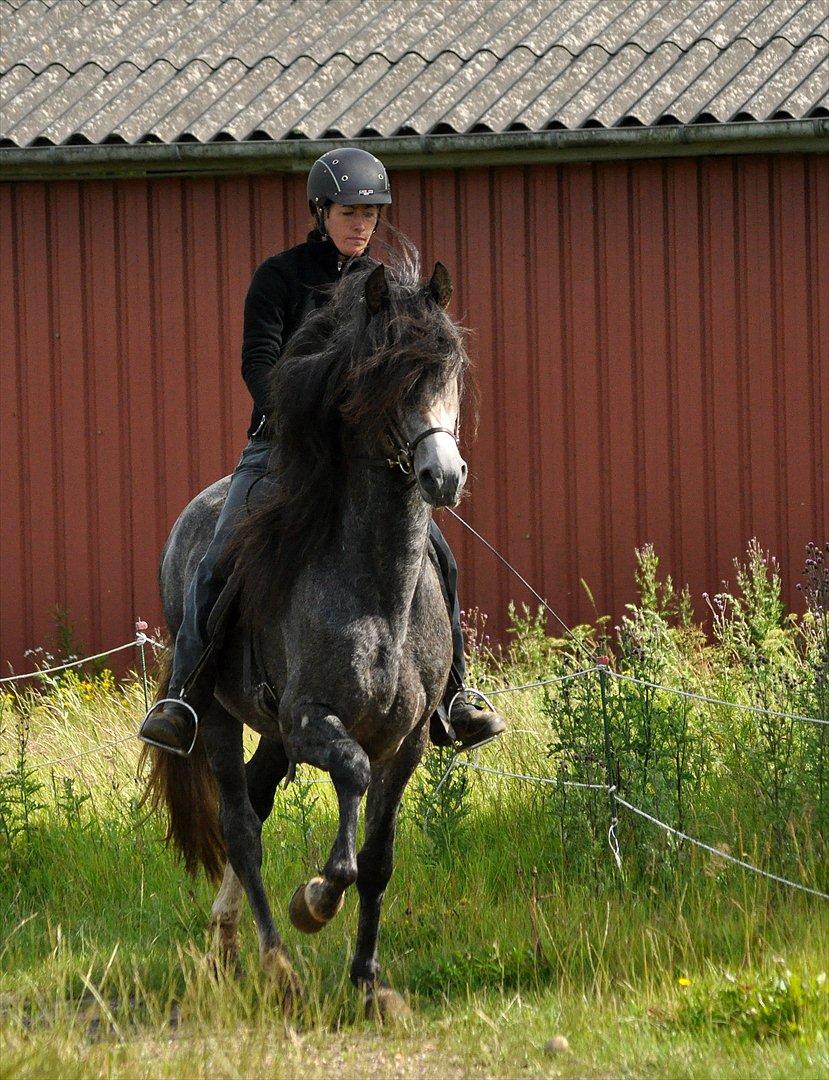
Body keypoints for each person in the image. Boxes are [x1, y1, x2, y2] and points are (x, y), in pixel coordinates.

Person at [139, 147, 506, 755]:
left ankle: (454, 699)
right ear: (320, 210)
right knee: (215, 561)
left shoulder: (382, 289)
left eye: (371, 213)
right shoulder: (280, 277)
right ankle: (184, 697)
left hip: (362, 464)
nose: (362, 224)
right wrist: (294, 413)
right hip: (280, 449)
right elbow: (257, 361)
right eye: (349, 211)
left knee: (441, 560)